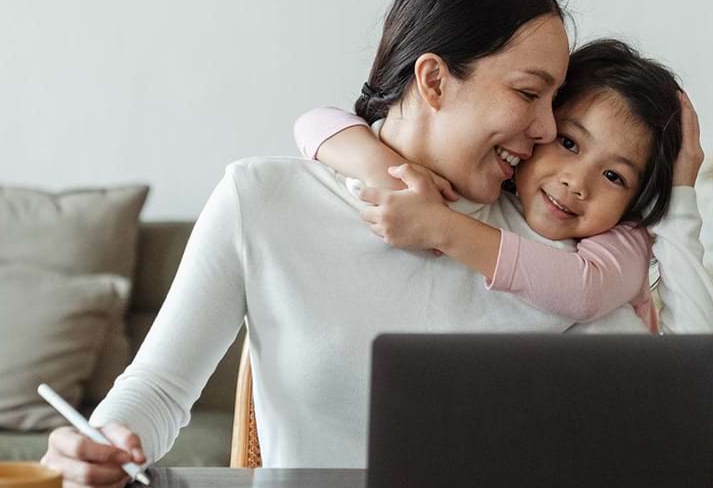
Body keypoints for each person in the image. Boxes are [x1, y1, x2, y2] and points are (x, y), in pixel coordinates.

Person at [41, 0, 713, 488]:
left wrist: (682, 199)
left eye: (554, 101)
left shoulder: (557, 250)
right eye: (527, 93)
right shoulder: (263, 201)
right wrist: (98, 444)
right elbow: (159, 391)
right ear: (433, 80)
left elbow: (683, 428)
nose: (546, 130)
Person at [293, 39, 690, 332]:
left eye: (614, 176)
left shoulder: (626, 237)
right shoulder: (496, 186)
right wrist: (386, 172)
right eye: (568, 143)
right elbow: (313, 122)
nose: (577, 182)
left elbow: (585, 290)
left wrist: (442, 228)